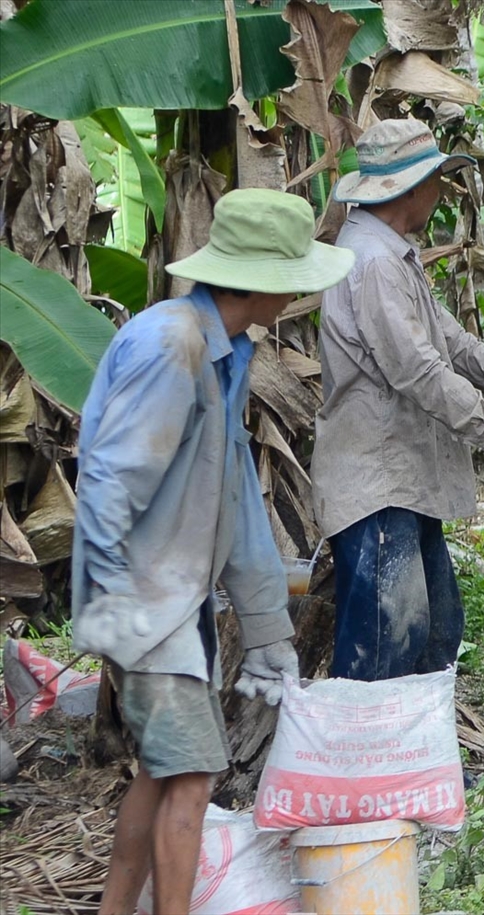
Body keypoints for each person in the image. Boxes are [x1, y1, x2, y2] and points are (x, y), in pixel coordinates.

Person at [73, 189, 354, 913]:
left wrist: (268, 634)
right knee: (193, 774)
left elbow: (235, 507)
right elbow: (111, 478)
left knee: (165, 774)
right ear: (262, 280)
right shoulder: (174, 346)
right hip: (146, 602)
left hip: (171, 600)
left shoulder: (220, 355)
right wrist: (111, 603)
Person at [312, 118, 484, 682]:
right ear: (409, 190)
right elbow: (420, 372)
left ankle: (419, 767)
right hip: (378, 484)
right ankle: (372, 767)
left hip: (402, 481)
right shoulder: (376, 263)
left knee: (434, 634)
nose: (441, 191)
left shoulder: (391, 253)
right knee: (388, 646)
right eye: (435, 180)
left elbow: (450, 342)